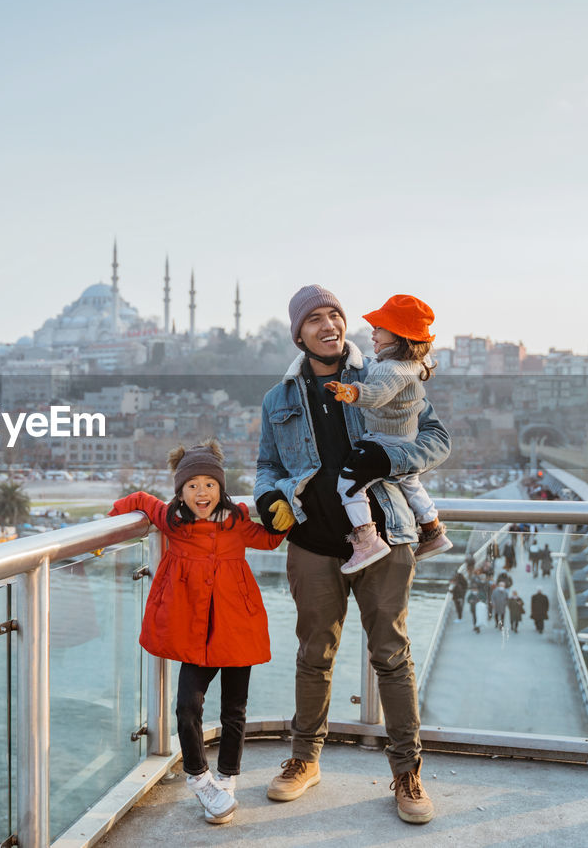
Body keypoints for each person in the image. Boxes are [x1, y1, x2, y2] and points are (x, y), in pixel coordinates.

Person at [255, 285, 451, 824]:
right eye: (315, 319)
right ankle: (303, 760)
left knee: (391, 654)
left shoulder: (384, 374)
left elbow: (437, 439)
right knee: (313, 654)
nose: (329, 325)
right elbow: (267, 466)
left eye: (335, 315)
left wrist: (385, 459)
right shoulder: (279, 399)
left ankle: (407, 773)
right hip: (313, 545)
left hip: (385, 536)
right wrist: (269, 497)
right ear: (299, 332)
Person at [110, 440, 285, 825]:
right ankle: (199, 778)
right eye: (192, 485)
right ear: (180, 491)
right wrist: (105, 535)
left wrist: (285, 517)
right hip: (195, 633)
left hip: (238, 625)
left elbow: (270, 540)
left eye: (209, 483)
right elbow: (139, 499)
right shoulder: (172, 522)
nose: (201, 492)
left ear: (221, 487)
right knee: (187, 707)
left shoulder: (238, 520)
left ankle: (227, 779)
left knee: (234, 711)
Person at [323, 294, 452, 572]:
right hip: (404, 439)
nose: (373, 333)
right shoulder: (412, 366)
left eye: (380, 328)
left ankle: (367, 539)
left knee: (348, 485)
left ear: (399, 336)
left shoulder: (389, 369)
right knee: (410, 482)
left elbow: (377, 394)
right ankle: (432, 530)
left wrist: (352, 392)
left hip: (384, 441)